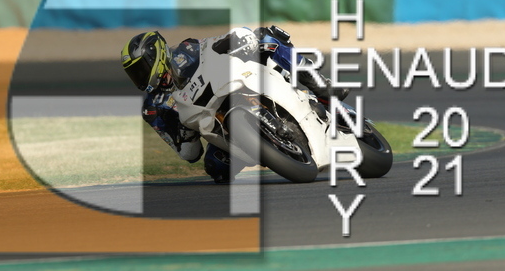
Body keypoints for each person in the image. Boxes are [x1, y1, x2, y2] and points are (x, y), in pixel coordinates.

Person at [120, 26, 348, 183]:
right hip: (215, 125)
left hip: (233, 84)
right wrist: (182, 133)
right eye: (133, 74)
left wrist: (240, 38)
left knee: (266, 37)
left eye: (140, 68)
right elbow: (189, 154)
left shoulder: (185, 50)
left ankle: (319, 84)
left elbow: (214, 44)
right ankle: (271, 150)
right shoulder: (153, 108)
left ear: (155, 56)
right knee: (216, 168)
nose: (139, 77)